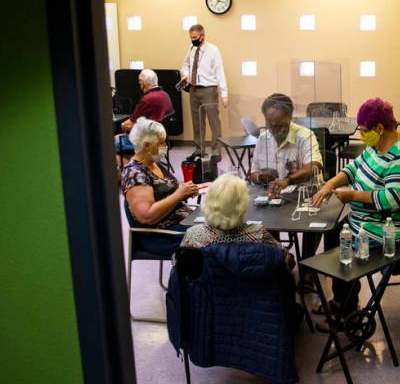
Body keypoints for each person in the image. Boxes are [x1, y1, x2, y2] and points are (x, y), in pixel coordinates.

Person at [310, 97, 400, 328]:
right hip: (370, 218)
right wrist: (330, 184)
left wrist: (352, 196)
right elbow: (354, 167)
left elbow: (393, 198)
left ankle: (348, 315)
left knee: (343, 250)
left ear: (379, 128)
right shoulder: (376, 146)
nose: (363, 135)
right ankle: (341, 299)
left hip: (397, 227)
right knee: (333, 232)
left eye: (365, 130)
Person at [121, 117, 200, 256]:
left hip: (181, 224)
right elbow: (147, 216)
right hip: (161, 235)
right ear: (146, 146)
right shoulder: (134, 173)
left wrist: (186, 190)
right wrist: (179, 195)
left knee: (223, 228)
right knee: (217, 239)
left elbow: (167, 190)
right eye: (161, 142)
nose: (165, 146)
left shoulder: (153, 163)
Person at [180, 174, 294, 270]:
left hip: (206, 294)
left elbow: (179, 266)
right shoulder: (257, 234)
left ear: (208, 201)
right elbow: (285, 260)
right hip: (252, 294)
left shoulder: (193, 236)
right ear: (243, 206)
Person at [249, 93, 323, 197]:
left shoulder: (305, 136)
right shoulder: (262, 139)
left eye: (280, 125)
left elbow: (314, 166)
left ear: (290, 117)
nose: (275, 130)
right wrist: (259, 177)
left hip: (302, 196)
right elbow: (253, 173)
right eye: (270, 125)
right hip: (274, 197)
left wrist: (287, 181)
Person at [180, 24, 228, 160]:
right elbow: (185, 65)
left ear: (202, 36)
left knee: (214, 122)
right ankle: (199, 149)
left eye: (194, 37)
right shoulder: (191, 48)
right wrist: (186, 74)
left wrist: (224, 94)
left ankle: (216, 151)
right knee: (197, 122)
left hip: (209, 89)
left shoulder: (213, 50)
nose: (192, 40)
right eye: (190, 37)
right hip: (193, 89)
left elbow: (220, 72)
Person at [114, 69, 173, 154]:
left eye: (139, 81)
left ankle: (132, 166)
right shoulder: (165, 95)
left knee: (115, 141)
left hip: (149, 142)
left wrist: (122, 126)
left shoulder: (147, 99)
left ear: (142, 82)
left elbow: (129, 124)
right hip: (162, 140)